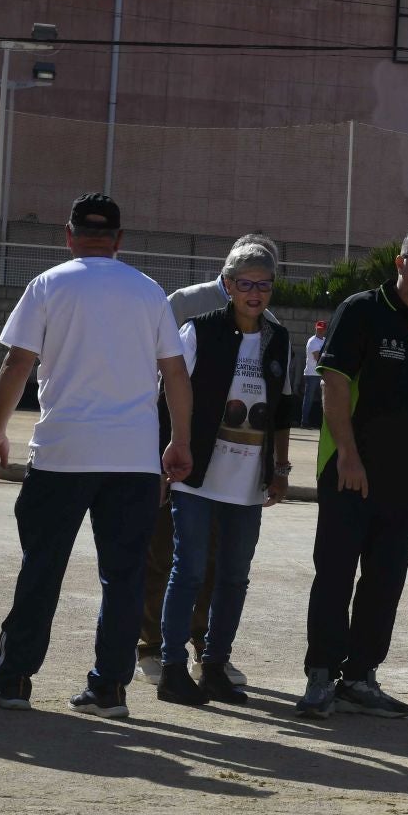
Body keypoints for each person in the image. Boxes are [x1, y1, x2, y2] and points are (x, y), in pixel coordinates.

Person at [0, 193, 194, 716]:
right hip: (132, 458)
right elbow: (175, 374)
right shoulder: (149, 293)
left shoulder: (49, 284)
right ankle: (109, 688)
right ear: (119, 240)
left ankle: (13, 681)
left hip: (62, 452)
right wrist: (180, 442)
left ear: (69, 234)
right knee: (123, 577)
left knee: (42, 567)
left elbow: (17, 364)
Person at [294, 226, 408, 719]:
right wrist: (347, 454)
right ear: (400, 261)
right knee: (335, 574)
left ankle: (360, 677)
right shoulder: (362, 310)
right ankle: (321, 676)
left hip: (405, 480)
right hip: (349, 471)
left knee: (385, 580)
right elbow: (334, 384)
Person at [137, 232, 281, 688]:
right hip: (188, 463)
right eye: (245, 282)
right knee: (176, 560)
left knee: (227, 570)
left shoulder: (275, 332)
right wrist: (163, 455)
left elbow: (280, 406)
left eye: (264, 283)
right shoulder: (189, 315)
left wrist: (279, 468)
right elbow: (167, 389)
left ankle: (211, 655)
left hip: (244, 474)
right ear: (228, 281)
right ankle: (159, 651)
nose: (254, 292)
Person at [302, 319, 328, 427]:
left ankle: (321, 423)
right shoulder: (312, 341)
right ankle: (304, 422)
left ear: (325, 330)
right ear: (315, 328)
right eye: (318, 329)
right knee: (309, 398)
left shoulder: (325, 340)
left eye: (322, 330)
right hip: (312, 374)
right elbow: (318, 357)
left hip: (321, 373)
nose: (320, 331)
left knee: (324, 399)